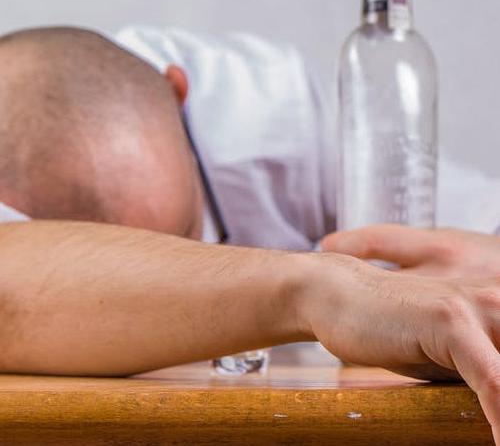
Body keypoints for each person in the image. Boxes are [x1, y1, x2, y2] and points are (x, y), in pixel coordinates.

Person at [1, 27, 500, 442]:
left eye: (189, 232)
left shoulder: (268, 105)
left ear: (180, 96)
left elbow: (479, 226)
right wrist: (326, 293)